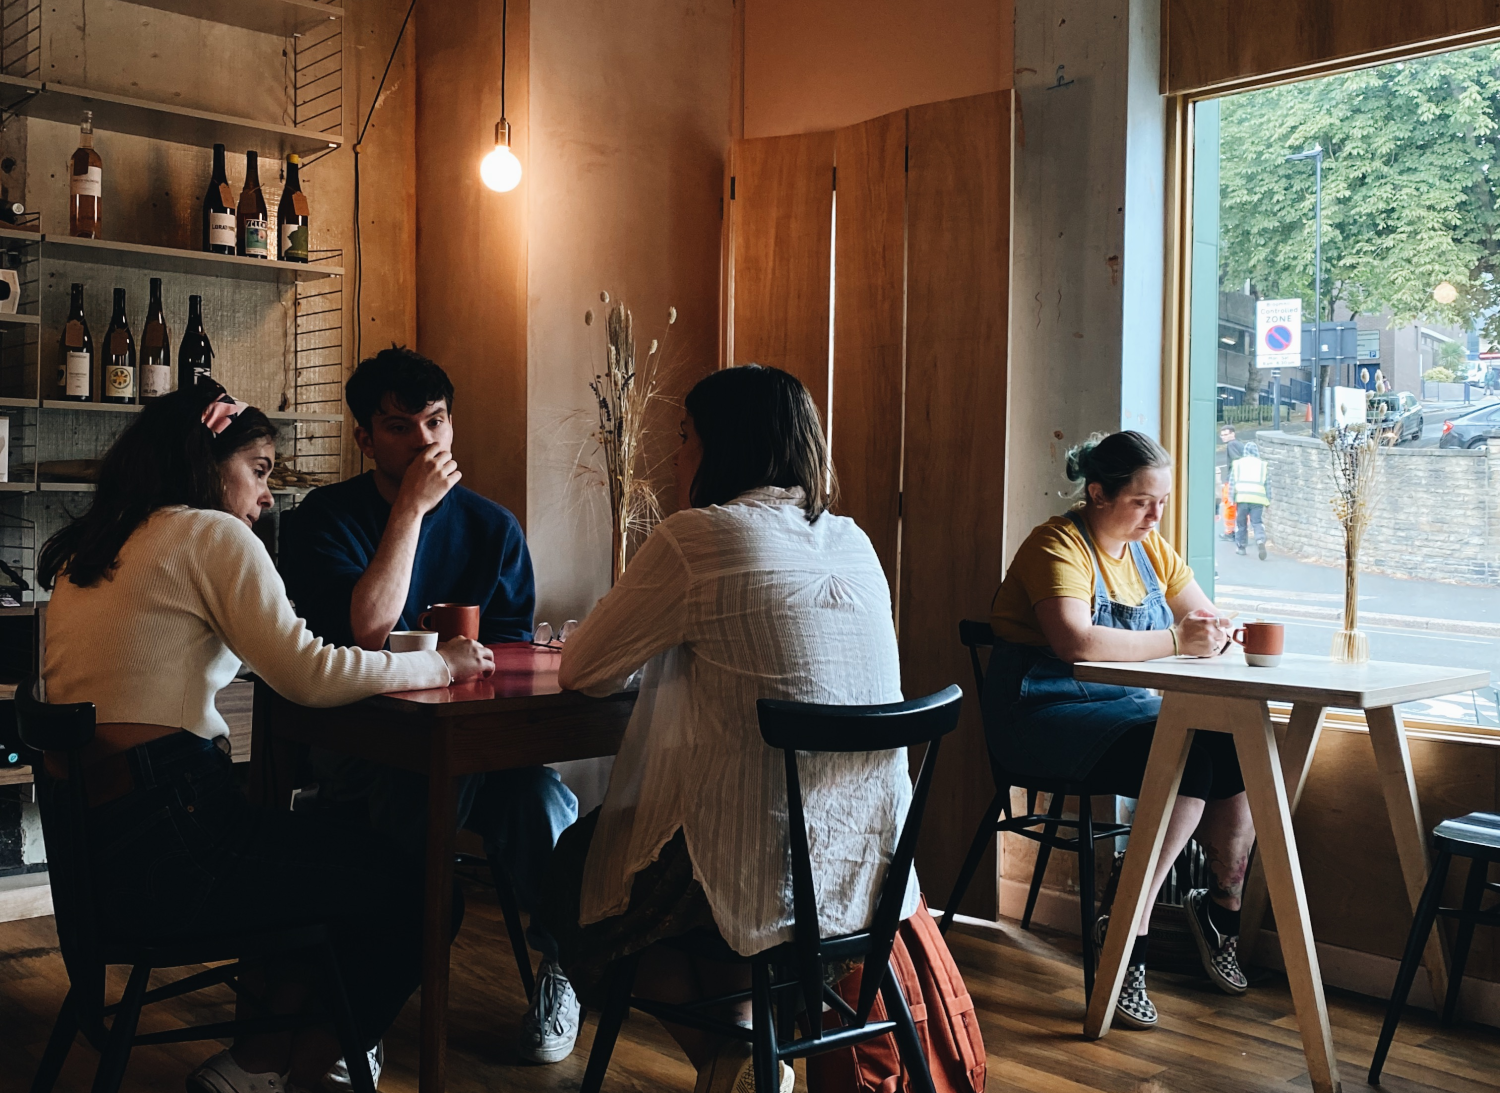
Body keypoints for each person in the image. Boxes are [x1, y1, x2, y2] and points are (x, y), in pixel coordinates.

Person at [38, 383, 495, 1093]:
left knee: (322, 848)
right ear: (206, 463)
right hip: (180, 846)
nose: (268, 494)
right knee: (420, 887)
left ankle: (264, 1057)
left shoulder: (95, 547)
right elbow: (309, 673)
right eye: (258, 468)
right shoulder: (211, 534)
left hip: (101, 859)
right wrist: (440, 660)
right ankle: (303, 1065)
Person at [544, 365, 915, 1093]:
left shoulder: (700, 538)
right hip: (867, 869)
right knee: (702, 845)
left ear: (720, 446)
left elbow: (581, 669)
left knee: (568, 875)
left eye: (684, 436)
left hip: (760, 870)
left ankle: (734, 1052)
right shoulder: (855, 541)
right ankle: (741, 1045)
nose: (676, 455)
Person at [278, 346, 581, 1065]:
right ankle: (371, 1006)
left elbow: (508, 663)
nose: (424, 443)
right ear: (364, 437)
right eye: (399, 427)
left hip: (477, 750)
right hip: (366, 746)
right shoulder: (324, 519)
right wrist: (411, 508)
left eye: (437, 423)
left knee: (545, 803)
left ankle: (562, 966)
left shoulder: (493, 528)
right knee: (411, 801)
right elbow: (366, 633)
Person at [985, 431, 1255, 1029]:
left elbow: (1200, 613)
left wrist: (1218, 632)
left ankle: (1219, 909)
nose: (1156, 516)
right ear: (1099, 493)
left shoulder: (1152, 549)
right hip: (1041, 713)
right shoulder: (1056, 544)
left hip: (1124, 709)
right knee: (1187, 750)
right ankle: (1126, 926)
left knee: (1234, 743)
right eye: (1141, 502)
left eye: (1162, 501)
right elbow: (1074, 641)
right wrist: (1178, 642)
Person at [1230, 441, 1271, 560]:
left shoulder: (1238, 464)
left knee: (1241, 523)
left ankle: (1241, 547)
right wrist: (1268, 502)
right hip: (1258, 499)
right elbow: (1267, 484)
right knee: (1257, 522)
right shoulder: (1262, 465)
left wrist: (1231, 498)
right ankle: (1260, 540)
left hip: (1242, 498)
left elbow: (1233, 482)